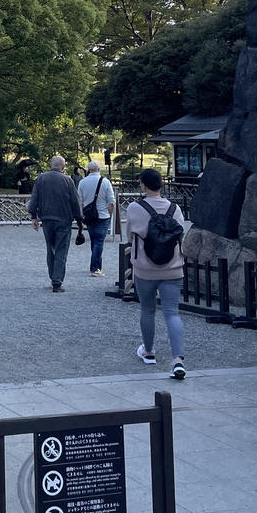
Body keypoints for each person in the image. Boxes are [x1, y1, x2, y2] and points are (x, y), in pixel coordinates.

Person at [126, 168, 187, 380]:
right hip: (173, 268)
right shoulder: (174, 208)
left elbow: (129, 236)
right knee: (172, 312)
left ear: (143, 185)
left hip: (145, 268)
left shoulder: (135, 208)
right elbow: (180, 236)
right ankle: (177, 360)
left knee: (147, 310)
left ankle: (149, 351)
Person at [28, 155, 85, 291]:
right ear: (63, 167)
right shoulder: (68, 181)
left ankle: (52, 276)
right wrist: (79, 219)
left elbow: (34, 197)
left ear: (51, 165)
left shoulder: (41, 179)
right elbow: (75, 202)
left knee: (50, 247)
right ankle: (57, 281)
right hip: (63, 219)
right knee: (61, 249)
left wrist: (34, 216)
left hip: (46, 218)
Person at [77, 161, 116, 277]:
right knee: (99, 241)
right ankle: (95, 268)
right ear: (99, 169)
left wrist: (81, 215)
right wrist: (110, 214)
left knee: (94, 241)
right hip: (103, 215)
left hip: (89, 216)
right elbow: (111, 202)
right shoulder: (105, 182)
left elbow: (80, 201)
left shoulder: (82, 182)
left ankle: (97, 264)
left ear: (88, 169)